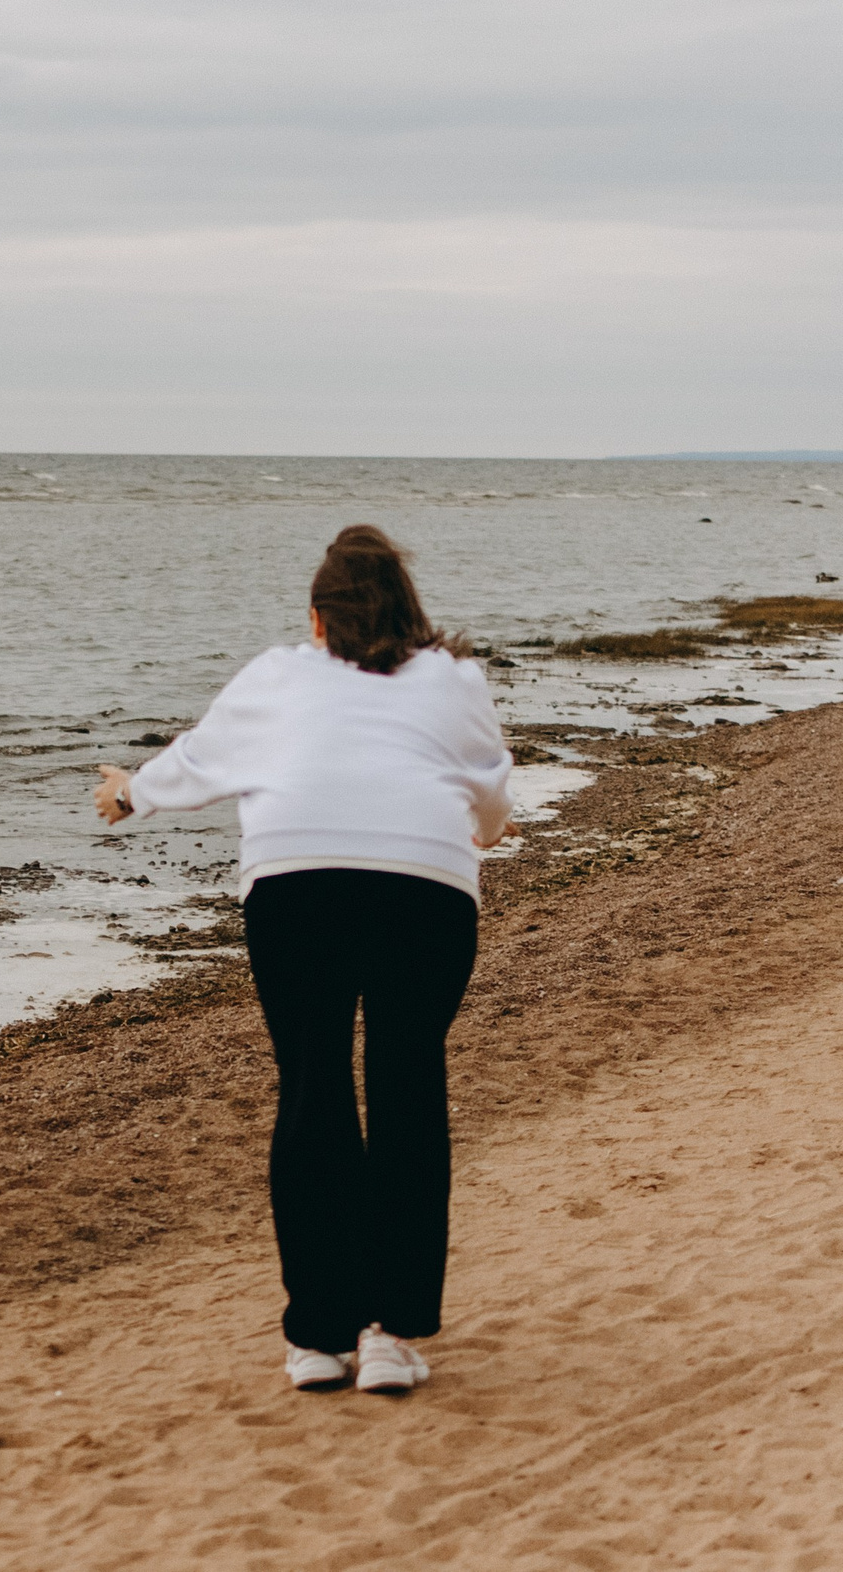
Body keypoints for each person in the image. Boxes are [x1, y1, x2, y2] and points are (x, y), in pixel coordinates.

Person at [93, 526, 514, 1396]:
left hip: (298, 889)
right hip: (423, 892)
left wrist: (129, 791)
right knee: (406, 1086)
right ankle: (392, 1337)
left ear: (319, 619)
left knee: (314, 1085)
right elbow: (491, 798)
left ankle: (319, 1338)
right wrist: (474, 830)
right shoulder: (454, 678)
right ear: (407, 609)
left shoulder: (280, 671)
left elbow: (200, 761)